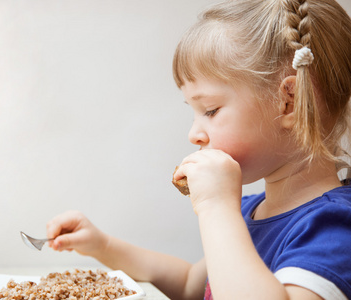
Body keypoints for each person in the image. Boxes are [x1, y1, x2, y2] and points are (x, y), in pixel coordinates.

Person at [46, 0, 351, 299]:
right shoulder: (247, 212)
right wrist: (103, 246)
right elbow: (191, 284)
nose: (194, 134)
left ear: (290, 102)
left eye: (210, 109)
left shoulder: (334, 229)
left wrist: (216, 208)